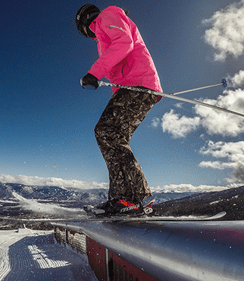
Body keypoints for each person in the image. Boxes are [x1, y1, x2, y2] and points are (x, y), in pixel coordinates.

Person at [76, 4, 163, 216]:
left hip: (138, 85)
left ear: (85, 21)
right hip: (134, 86)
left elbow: (125, 43)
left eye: (84, 32)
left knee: (107, 132)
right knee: (112, 136)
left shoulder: (108, 15)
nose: (88, 36)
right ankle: (122, 198)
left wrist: (94, 73)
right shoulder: (105, 27)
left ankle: (134, 197)